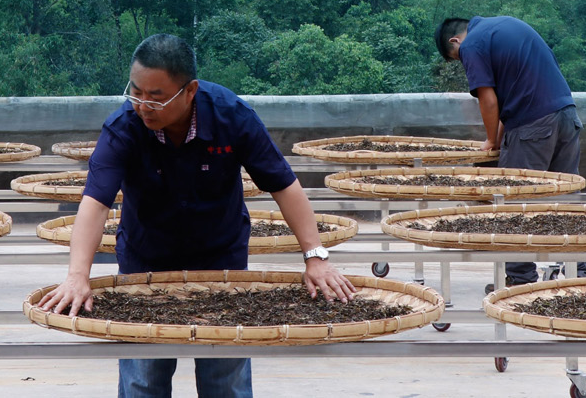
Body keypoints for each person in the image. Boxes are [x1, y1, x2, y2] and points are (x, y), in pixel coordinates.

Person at [39, 33, 355, 398]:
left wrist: (315, 257)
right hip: (146, 261)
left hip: (221, 258)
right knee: (144, 378)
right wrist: (78, 275)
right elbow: (95, 202)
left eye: (156, 97)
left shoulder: (231, 116)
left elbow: (284, 185)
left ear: (190, 91)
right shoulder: (123, 127)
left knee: (226, 377)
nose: (142, 105)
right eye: (136, 91)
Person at [434, 15, 586, 285]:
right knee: (567, 203)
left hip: (533, 127)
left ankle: (520, 279)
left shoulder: (472, 45)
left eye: (457, 58)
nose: (464, 63)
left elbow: (489, 101)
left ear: (455, 41)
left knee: (514, 204)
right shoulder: (506, 26)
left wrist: (491, 140)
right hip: (567, 116)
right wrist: (498, 136)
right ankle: (579, 272)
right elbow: (512, 100)